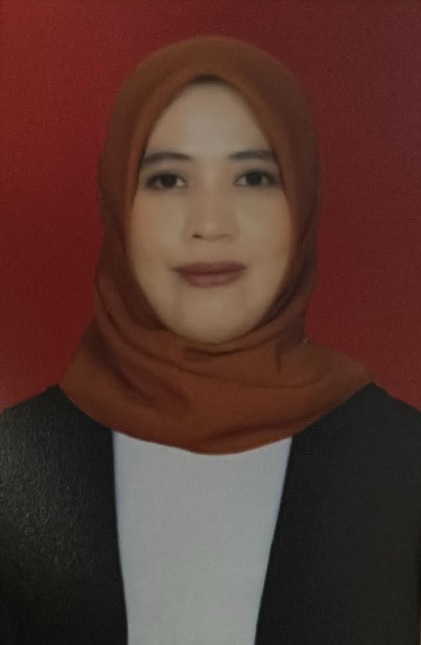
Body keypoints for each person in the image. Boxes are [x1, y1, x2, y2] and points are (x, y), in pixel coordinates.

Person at [0, 34, 420, 645]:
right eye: (168, 179)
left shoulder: (403, 463)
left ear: (302, 202)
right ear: (118, 204)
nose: (210, 224)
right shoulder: (14, 463)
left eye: (253, 177)